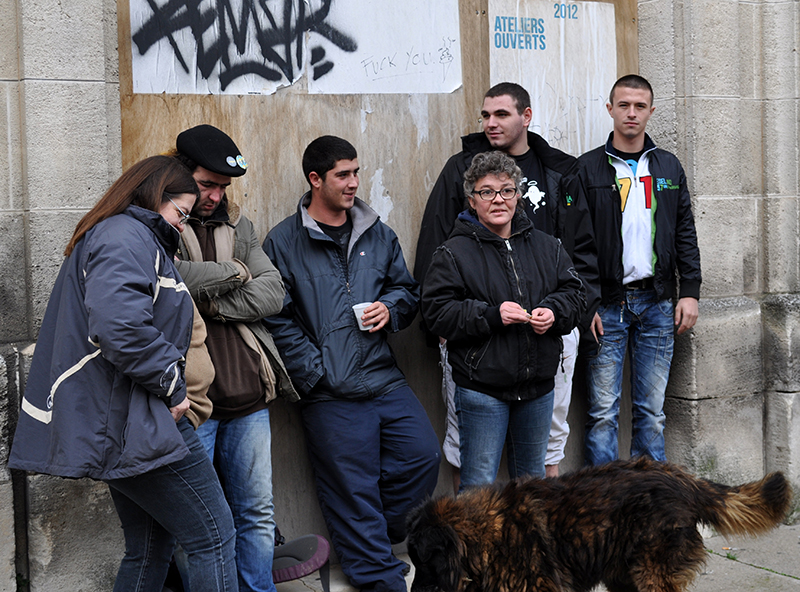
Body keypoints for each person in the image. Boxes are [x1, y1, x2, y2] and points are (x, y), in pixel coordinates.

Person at [8, 156, 238, 592]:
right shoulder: (125, 236)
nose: (182, 226)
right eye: (181, 214)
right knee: (214, 537)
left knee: (149, 547)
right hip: (140, 419)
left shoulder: (125, 235)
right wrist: (173, 388)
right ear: (155, 196)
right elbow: (120, 329)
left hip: (126, 418)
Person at [262, 135, 440, 592]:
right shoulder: (283, 241)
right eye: (343, 174)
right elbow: (276, 317)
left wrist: (390, 309)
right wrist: (315, 372)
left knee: (423, 456)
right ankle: (378, 577)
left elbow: (406, 290)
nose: (354, 182)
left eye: (356, 172)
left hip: (383, 377)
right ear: (315, 179)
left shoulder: (378, 232)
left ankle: (379, 536)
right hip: (328, 390)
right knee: (350, 489)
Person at [414, 82, 598, 482]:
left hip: (541, 359)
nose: (498, 200)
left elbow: (578, 258)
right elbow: (434, 265)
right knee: (475, 470)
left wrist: (565, 312)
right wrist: (457, 323)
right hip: (479, 362)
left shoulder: (558, 178)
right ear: (472, 198)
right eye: (485, 115)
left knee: (538, 464)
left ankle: (540, 522)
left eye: (501, 114)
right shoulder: (458, 218)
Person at [169, 124, 299, 592]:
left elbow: (273, 293)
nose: (215, 196)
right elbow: (170, 279)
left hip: (248, 397)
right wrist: (235, 271)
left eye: (223, 187)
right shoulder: (161, 222)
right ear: (179, 174)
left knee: (256, 514)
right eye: (207, 184)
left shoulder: (238, 225)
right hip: (191, 405)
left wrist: (208, 300)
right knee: (196, 524)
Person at [578, 75, 701, 465]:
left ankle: (650, 496)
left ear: (651, 111)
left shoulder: (667, 166)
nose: (631, 113)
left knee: (652, 412)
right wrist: (586, 303)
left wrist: (690, 291)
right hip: (606, 306)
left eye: (640, 106)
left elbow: (684, 231)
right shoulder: (586, 169)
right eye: (624, 105)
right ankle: (603, 497)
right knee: (602, 413)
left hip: (658, 303)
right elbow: (575, 245)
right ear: (610, 109)